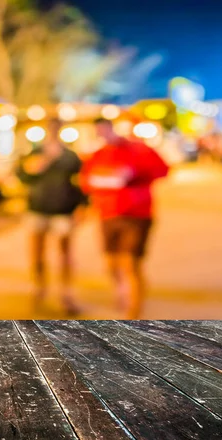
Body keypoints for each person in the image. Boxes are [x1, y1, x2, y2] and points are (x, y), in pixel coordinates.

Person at [80, 117, 169, 320]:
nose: (102, 134)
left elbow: (163, 170)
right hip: (107, 215)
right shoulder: (98, 154)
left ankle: (135, 311)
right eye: (98, 131)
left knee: (131, 263)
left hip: (136, 215)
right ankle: (122, 290)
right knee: (112, 262)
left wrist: (133, 173)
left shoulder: (139, 149)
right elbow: (86, 181)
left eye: (104, 130)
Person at [16, 118, 87, 315]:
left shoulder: (71, 156)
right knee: (36, 252)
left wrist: (82, 206)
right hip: (37, 208)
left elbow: (81, 183)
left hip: (63, 209)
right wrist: (43, 160)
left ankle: (66, 293)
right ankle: (38, 288)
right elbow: (23, 177)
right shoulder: (36, 153)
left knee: (65, 254)